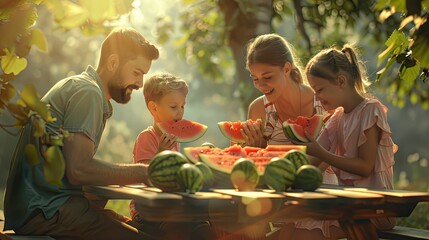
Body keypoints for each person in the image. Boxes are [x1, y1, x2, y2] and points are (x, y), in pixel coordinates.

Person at [4, 27, 160, 239]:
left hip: (45, 207)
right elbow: (79, 170)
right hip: (46, 211)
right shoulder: (88, 93)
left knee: (145, 231)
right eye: (137, 72)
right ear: (113, 63)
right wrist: (145, 173)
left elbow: (72, 169)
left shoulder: (83, 87)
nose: (141, 84)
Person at [283, 44, 397, 239]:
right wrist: (281, 174)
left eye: (320, 90)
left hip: (377, 208)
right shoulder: (337, 118)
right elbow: (313, 162)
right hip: (348, 204)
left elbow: (364, 167)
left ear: (341, 81)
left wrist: (322, 153)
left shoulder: (370, 111)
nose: (317, 98)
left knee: (307, 232)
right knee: (293, 226)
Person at [130, 73, 215, 240]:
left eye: (182, 106)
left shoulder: (173, 138)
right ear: (154, 108)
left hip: (171, 204)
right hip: (147, 209)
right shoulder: (147, 137)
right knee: (192, 229)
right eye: (174, 107)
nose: (180, 113)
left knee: (205, 224)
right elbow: (147, 176)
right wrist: (161, 152)